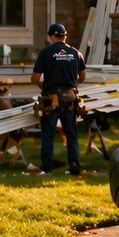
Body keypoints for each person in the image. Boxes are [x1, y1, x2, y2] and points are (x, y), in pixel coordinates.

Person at [30, 23, 86, 175]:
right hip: (70, 97)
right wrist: (70, 84)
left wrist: (45, 87)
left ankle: (47, 169)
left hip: (51, 98)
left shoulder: (46, 53)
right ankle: (75, 168)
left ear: (52, 36)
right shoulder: (75, 53)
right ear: (65, 36)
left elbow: (34, 78)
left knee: (48, 134)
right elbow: (82, 77)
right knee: (71, 135)